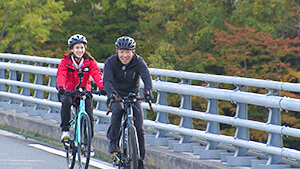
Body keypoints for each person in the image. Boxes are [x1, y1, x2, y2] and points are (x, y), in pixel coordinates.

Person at [104, 36, 153, 169]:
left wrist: (148, 91)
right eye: (122, 52)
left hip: (133, 95)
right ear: (117, 51)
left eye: (128, 52)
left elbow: (146, 77)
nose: (125, 55)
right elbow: (107, 81)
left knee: (139, 128)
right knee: (118, 110)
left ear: (133, 52)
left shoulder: (139, 62)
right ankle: (113, 141)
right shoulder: (111, 62)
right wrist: (111, 94)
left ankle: (141, 160)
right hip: (116, 94)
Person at [56, 34, 104, 145]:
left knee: (90, 115)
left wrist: (102, 87)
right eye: (77, 48)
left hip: (84, 92)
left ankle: (88, 142)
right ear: (71, 49)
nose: (80, 50)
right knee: (66, 102)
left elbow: (96, 74)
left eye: (82, 47)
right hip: (69, 91)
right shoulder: (65, 62)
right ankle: (65, 130)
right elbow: (61, 75)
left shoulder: (90, 61)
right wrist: (61, 87)